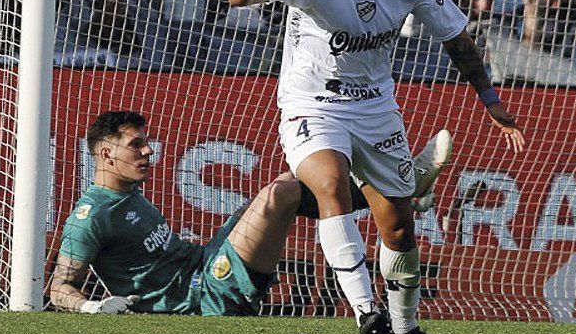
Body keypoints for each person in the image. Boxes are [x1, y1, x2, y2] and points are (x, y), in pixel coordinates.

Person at [227, 0, 526, 334]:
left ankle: (405, 332)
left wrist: (490, 102)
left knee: (400, 227)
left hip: (374, 108)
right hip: (312, 102)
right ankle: (368, 312)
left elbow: (458, 41)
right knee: (330, 184)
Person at [49, 111, 451, 321]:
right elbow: (59, 288)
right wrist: (93, 307)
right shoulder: (90, 216)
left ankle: (400, 195)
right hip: (203, 297)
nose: (149, 152)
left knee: (282, 185)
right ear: (106, 154)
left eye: (147, 144)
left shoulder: (129, 194)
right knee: (282, 190)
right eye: (136, 145)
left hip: (204, 264)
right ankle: (401, 190)